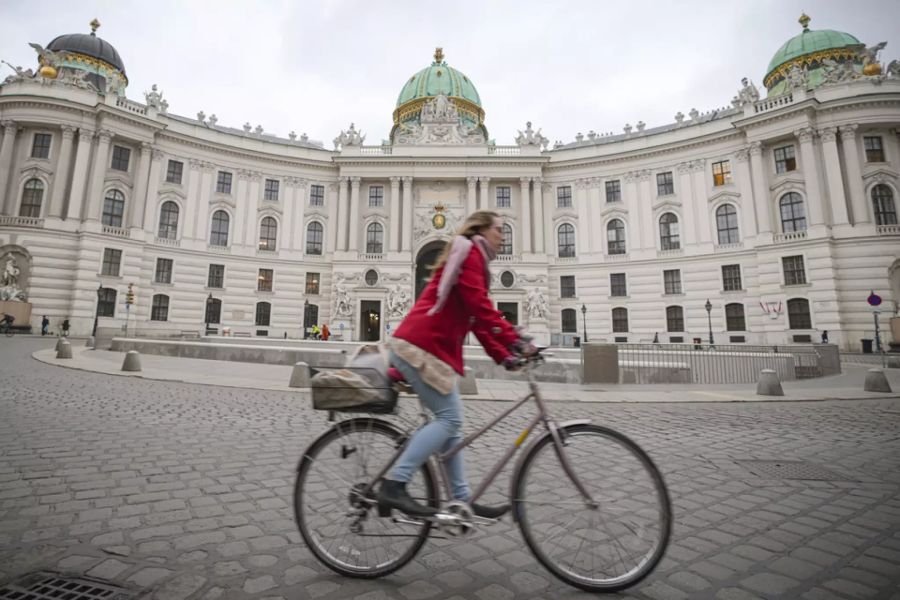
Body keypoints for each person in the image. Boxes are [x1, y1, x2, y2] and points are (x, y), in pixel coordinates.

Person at [378, 210, 535, 519]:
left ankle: (461, 499)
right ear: (483, 230)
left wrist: (504, 355)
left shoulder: (474, 259)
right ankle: (394, 484)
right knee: (449, 420)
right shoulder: (470, 254)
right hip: (419, 348)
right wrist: (515, 342)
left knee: (450, 427)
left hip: (428, 349)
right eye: (499, 230)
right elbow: (481, 308)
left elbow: (475, 319)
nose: (503, 236)